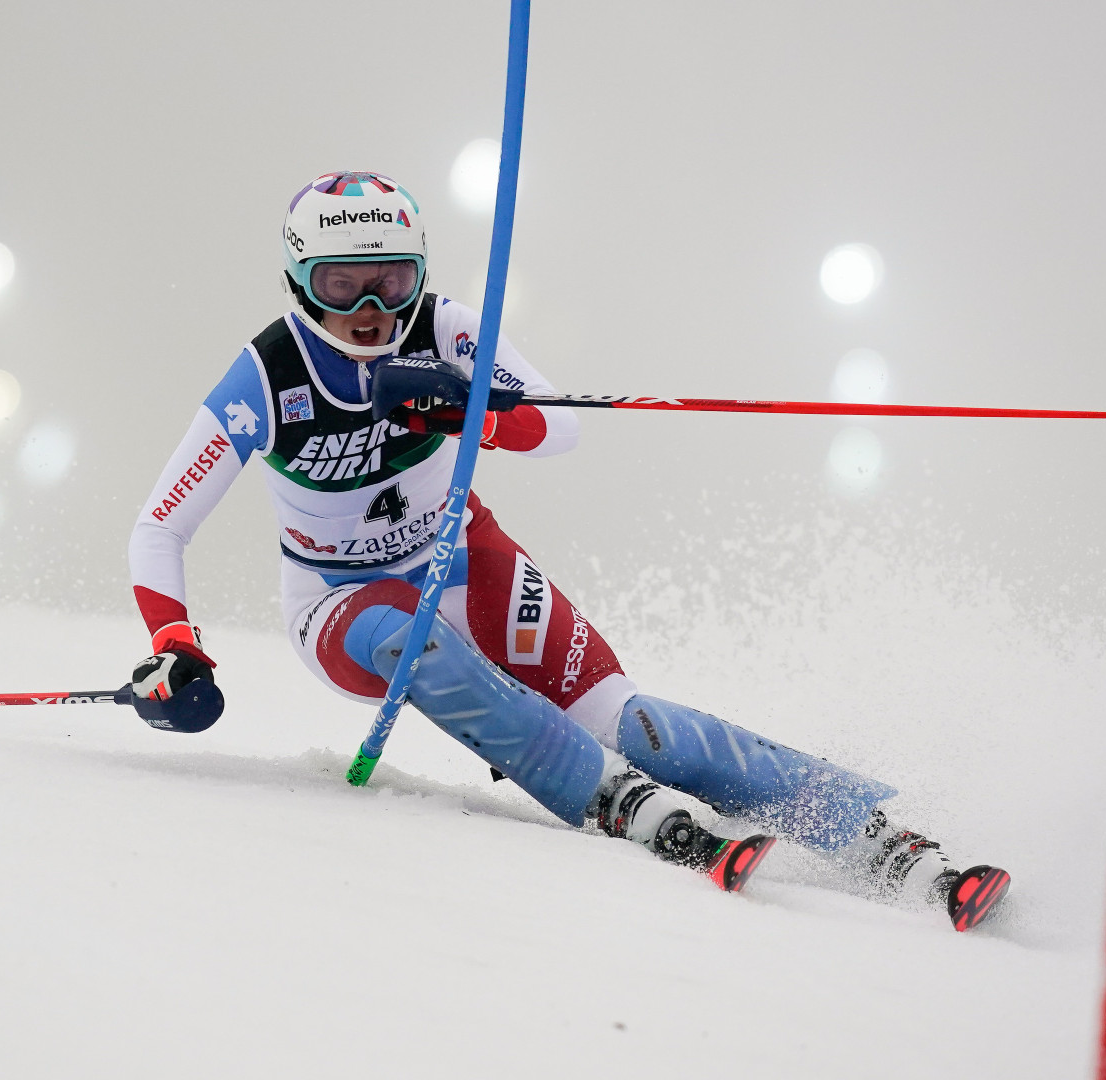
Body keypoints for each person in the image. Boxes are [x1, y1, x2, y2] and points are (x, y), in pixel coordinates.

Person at [125, 170, 1010, 928]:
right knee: (409, 636)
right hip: (336, 600)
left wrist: (472, 407)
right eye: (342, 286)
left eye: (391, 285)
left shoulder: (446, 329)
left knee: (639, 726)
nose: (368, 312)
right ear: (298, 283)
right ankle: (612, 799)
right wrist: (174, 645)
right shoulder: (268, 376)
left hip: (465, 553)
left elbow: (559, 425)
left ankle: (882, 839)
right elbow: (160, 526)